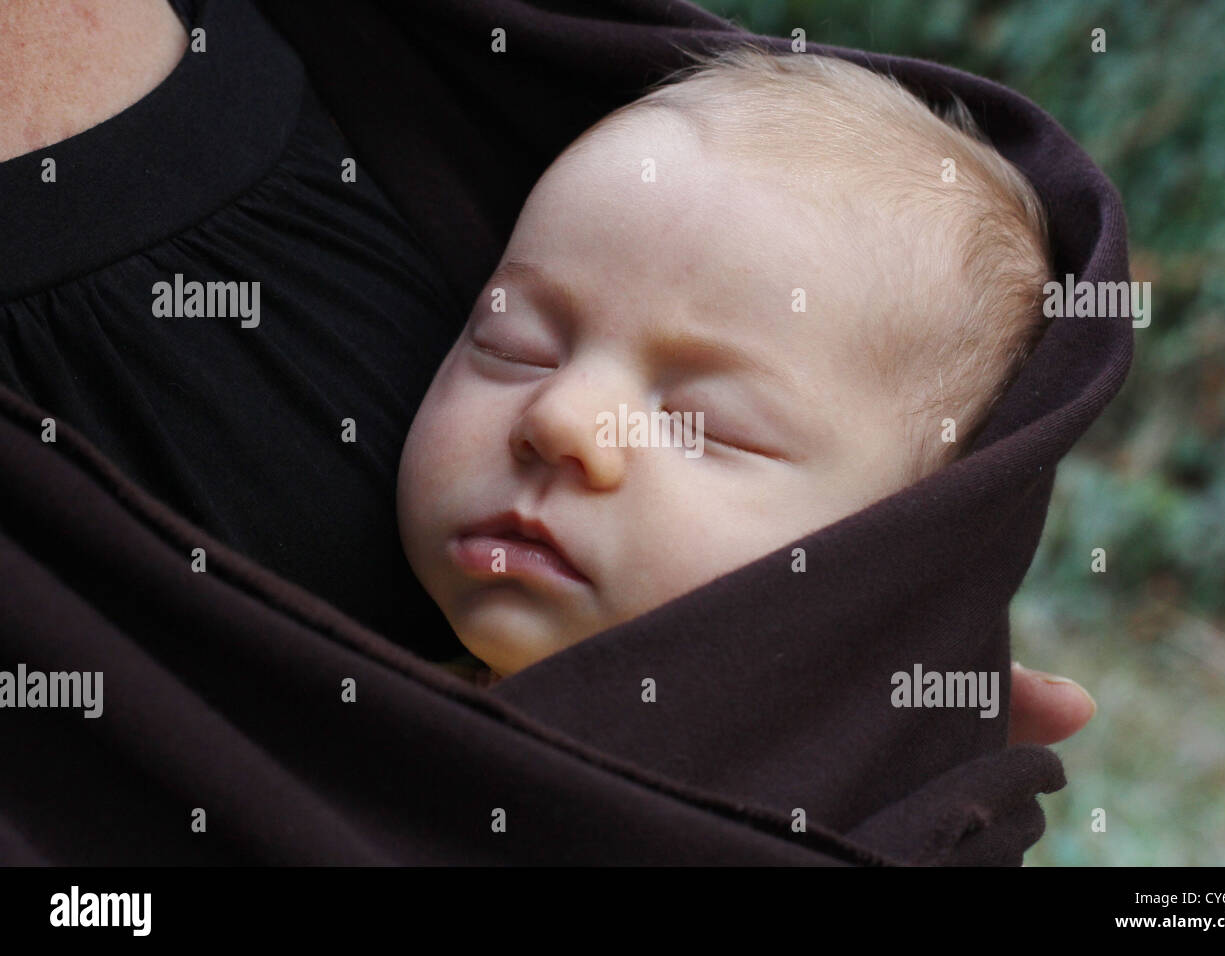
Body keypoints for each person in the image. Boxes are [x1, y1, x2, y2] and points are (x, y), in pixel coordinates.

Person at [0, 0, 1093, 747]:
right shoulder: (350, 746)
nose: (560, 418)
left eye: (706, 423)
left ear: (903, 557)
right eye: (512, 344)